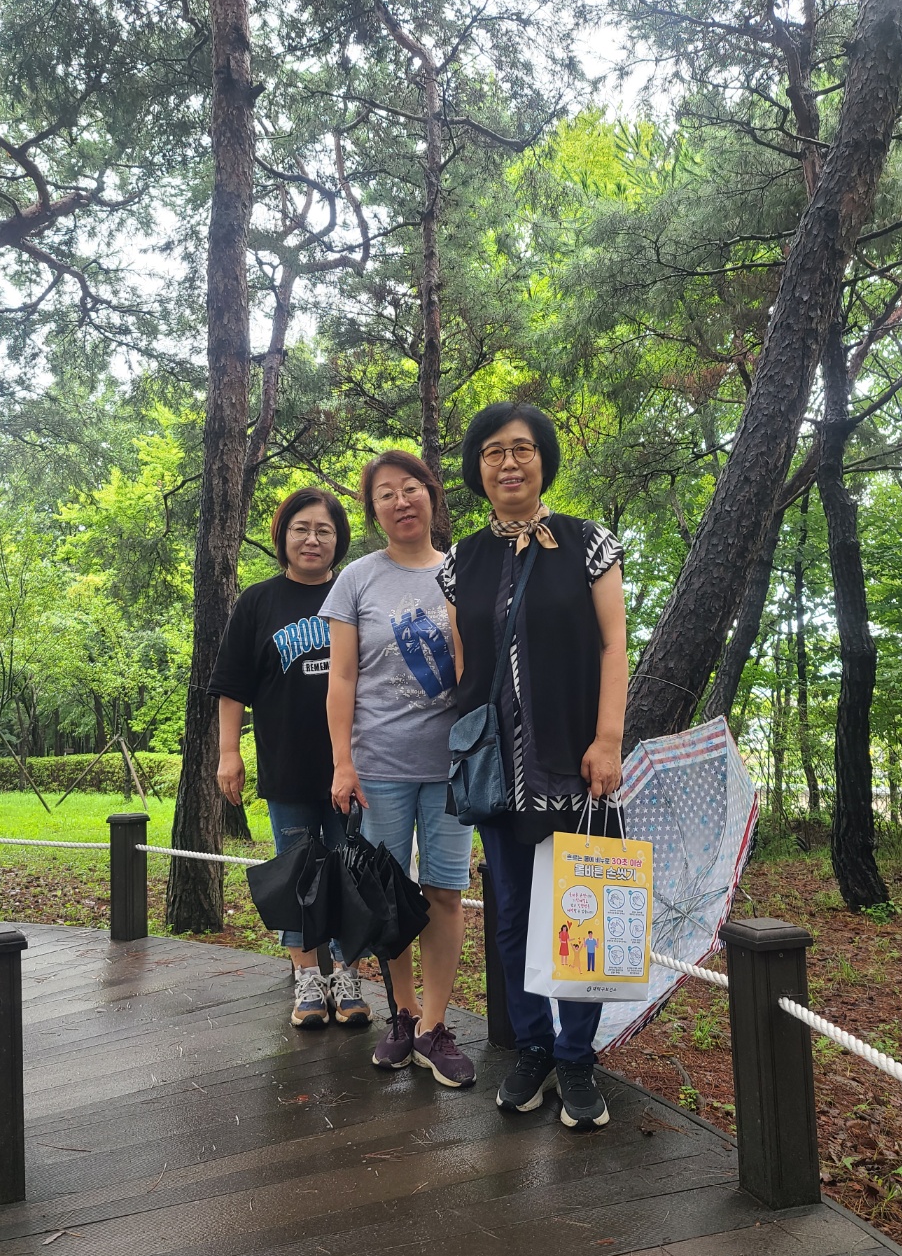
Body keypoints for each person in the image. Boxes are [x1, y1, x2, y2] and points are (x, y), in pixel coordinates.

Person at [439, 402, 628, 1129]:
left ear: (543, 460)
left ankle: (578, 1057)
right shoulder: (460, 562)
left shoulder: (588, 543)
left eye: (522, 449)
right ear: (478, 468)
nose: (509, 463)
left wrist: (607, 738)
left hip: (576, 761)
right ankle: (533, 1048)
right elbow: (465, 663)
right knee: (514, 911)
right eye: (494, 451)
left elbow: (613, 645)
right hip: (497, 771)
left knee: (581, 904)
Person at [322, 450, 476, 1089]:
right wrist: (343, 763)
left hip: (451, 767)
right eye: (385, 493)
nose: (400, 501)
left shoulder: (463, 572)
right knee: (389, 897)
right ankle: (404, 1016)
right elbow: (342, 677)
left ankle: (436, 1027)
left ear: (431, 495)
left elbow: (475, 667)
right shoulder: (357, 580)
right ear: (374, 510)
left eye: (410, 488)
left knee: (444, 893)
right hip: (379, 766)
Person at [209, 487, 371, 1031]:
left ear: (338, 540)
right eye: (301, 528)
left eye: (324, 530)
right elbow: (232, 686)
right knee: (296, 871)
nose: (312, 539)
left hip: (353, 765)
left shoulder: (354, 593)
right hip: (286, 763)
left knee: (349, 872)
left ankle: (348, 975)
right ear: (283, 536)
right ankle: (306, 978)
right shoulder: (258, 602)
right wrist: (228, 753)